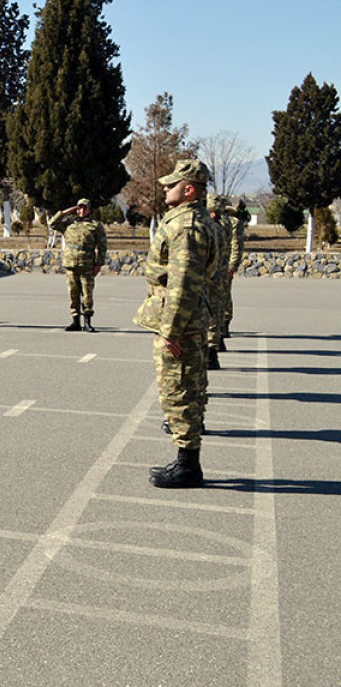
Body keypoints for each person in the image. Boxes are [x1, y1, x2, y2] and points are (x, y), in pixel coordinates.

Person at [133, 158, 218, 489]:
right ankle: (186, 460)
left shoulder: (186, 226)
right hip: (188, 316)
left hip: (180, 319)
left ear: (190, 189)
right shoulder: (194, 221)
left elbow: (182, 283)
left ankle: (188, 467)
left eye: (172, 184)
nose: (166, 188)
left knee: (178, 390)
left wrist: (170, 329)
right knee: (188, 389)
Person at [50, 198, 109, 332]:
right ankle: (75, 321)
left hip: (87, 264)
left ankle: (87, 321)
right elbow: (52, 223)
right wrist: (65, 212)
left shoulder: (95, 225)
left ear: (89, 210)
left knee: (87, 294)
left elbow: (102, 246)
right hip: (70, 264)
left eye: (84, 208)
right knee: (73, 293)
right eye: (79, 208)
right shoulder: (69, 224)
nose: (81, 210)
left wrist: (99, 264)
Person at [205, 195, 233, 368]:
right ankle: (213, 348)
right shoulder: (224, 224)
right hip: (217, 274)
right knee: (214, 310)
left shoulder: (215, 227)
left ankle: (211, 352)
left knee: (212, 311)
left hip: (213, 275)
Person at [223, 197, 246, 339]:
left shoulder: (234, 223)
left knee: (224, 295)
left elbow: (236, 246)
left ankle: (224, 324)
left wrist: (232, 266)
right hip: (212, 265)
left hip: (224, 266)